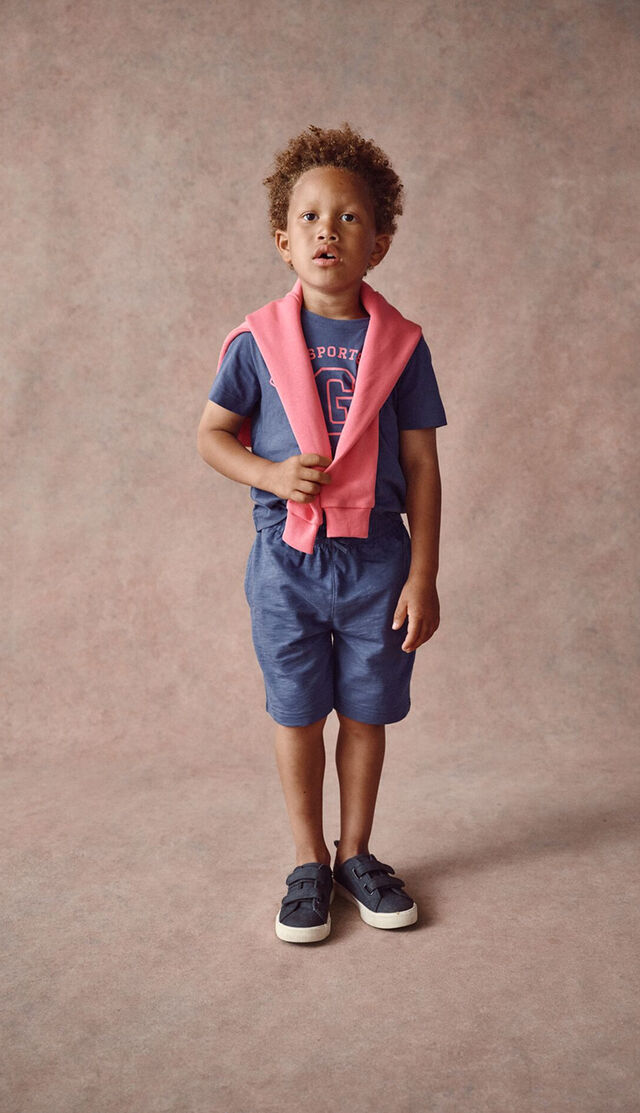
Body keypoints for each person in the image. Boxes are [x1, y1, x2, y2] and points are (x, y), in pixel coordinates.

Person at [196, 123, 447, 944]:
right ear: (283, 240)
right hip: (287, 557)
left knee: (366, 711)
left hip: (378, 557)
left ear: (379, 244)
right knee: (299, 712)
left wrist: (423, 575)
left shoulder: (402, 347)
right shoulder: (257, 344)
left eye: (347, 218)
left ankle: (355, 853)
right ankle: (307, 859)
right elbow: (212, 435)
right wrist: (270, 475)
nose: (326, 231)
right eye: (308, 217)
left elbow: (422, 467)